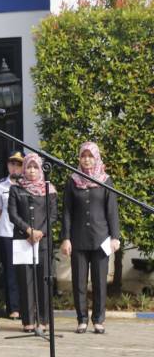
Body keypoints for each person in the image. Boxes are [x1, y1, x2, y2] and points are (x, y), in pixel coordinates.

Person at [60, 142, 120, 334]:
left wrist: (115, 237)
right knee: (79, 281)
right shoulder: (72, 180)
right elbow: (67, 212)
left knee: (100, 281)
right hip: (78, 239)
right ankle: (82, 319)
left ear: (96, 158)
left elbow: (112, 211)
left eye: (90, 156)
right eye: (83, 155)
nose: (87, 159)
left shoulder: (105, 180)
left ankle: (98, 319)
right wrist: (66, 238)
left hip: (101, 238)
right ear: (79, 158)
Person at [8, 153, 58, 333]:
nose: (31, 170)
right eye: (28, 167)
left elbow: (52, 215)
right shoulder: (16, 188)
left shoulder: (49, 190)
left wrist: (40, 232)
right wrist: (28, 231)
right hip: (23, 239)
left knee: (43, 280)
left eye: (35, 167)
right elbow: (13, 214)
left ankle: (43, 321)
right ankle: (28, 321)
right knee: (25, 281)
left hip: (43, 241)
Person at [0, 150, 24, 321]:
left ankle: (26, 305)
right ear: (7, 165)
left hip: (24, 234)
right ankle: (13, 308)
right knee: (10, 273)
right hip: (6, 233)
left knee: (24, 272)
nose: (15, 167)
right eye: (12, 163)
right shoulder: (0, 186)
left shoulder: (28, 185)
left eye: (19, 164)